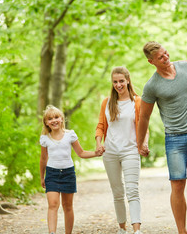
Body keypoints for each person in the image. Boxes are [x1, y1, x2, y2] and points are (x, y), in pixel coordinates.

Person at [137, 41, 187, 234]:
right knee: (178, 185)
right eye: (160, 57)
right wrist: (140, 143)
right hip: (175, 139)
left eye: (165, 53)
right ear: (151, 61)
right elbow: (144, 116)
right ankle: (182, 231)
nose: (165, 57)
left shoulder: (186, 67)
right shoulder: (152, 86)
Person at [95, 66, 147, 234]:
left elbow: (143, 127)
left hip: (130, 150)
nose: (118, 85)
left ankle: (137, 230)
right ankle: (122, 228)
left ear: (128, 80)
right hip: (110, 152)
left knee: (132, 190)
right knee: (117, 191)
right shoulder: (107, 102)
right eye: (115, 82)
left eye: (121, 81)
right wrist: (98, 143)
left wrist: (144, 144)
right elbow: (101, 126)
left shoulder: (137, 101)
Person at [40, 105, 103, 234]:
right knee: (53, 204)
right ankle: (52, 232)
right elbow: (43, 159)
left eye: (56, 117)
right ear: (46, 122)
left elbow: (81, 153)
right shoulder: (45, 138)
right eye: (50, 118)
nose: (54, 120)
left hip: (68, 173)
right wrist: (42, 177)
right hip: (51, 174)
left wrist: (96, 153)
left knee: (67, 206)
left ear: (62, 119)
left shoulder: (70, 135)